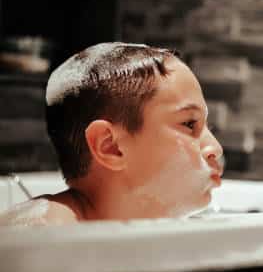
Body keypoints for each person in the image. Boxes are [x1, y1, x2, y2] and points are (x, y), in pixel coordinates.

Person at [0, 43, 223, 225]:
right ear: (111, 147)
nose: (216, 148)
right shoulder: (46, 231)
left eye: (207, 127)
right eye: (189, 124)